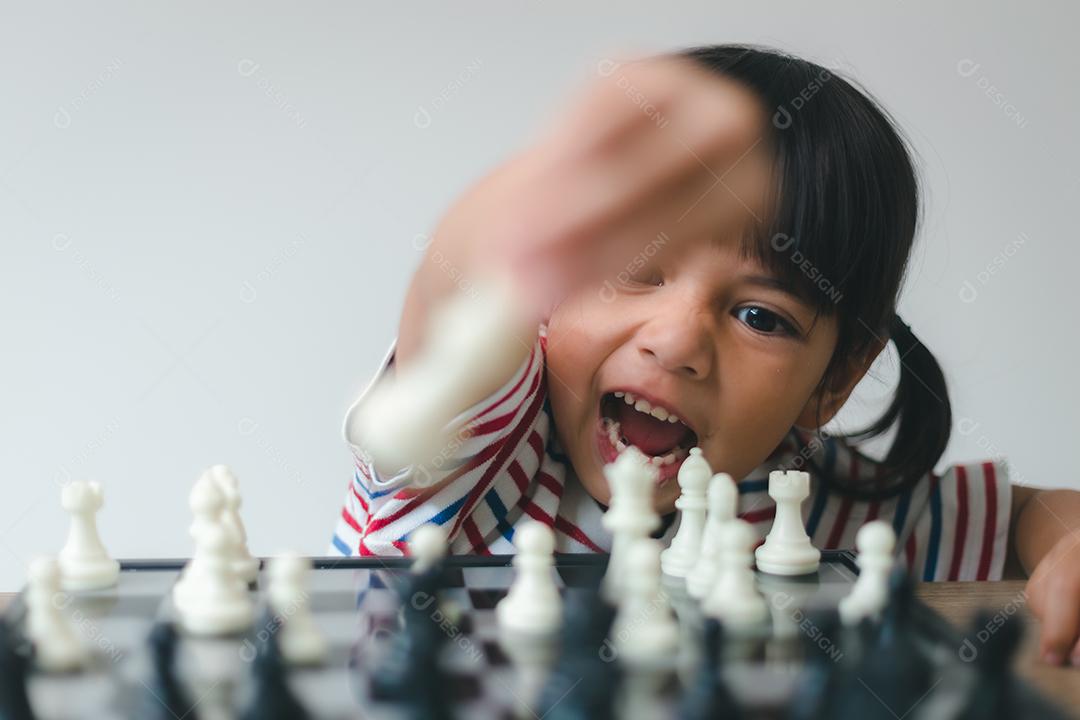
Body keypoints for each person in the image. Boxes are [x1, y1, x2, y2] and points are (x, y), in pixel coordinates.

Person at [329, 44, 1080, 667]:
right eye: (629, 267)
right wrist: (541, 203)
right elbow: (451, 307)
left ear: (836, 382)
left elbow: (1024, 517)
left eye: (761, 316)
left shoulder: (812, 505)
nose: (679, 339)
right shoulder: (484, 459)